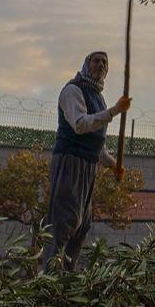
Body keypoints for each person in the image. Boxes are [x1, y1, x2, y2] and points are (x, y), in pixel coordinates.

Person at [42, 50, 130, 271]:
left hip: (88, 167)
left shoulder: (98, 97)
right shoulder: (73, 90)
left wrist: (114, 166)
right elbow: (80, 125)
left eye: (104, 62)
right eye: (96, 61)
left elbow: (97, 146)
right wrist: (114, 111)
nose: (100, 65)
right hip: (70, 161)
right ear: (86, 64)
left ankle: (67, 279)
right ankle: (48, 280)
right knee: (63, 222)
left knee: (82, 225)